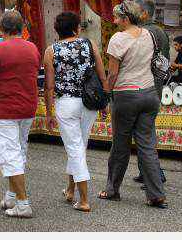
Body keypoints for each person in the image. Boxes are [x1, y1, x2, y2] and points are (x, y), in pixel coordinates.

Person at [99, 0, 167, 209]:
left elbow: (113, 74)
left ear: (126, 18)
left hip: (126, 94)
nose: (115, 20)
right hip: (149, 94)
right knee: (147, 145)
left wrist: (106, 95)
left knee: (120, 145)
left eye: (117, 17)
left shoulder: (118, 39)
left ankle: (112, 189)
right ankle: (156, 194)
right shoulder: (149, 35)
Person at [43, 11, 108, 213]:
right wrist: (104, 102)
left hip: (66, 103)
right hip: (89, 103)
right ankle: (71, 190)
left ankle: (84, 200)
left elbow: (49, 86)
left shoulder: (51, 50)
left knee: (75, 148)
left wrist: (48, 112)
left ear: (57, 30)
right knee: (79, 146)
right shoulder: (89, 45)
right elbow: (101, 75)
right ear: (76, 28)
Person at [0, 10, 40, 218]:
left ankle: (23, 204)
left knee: (8, 154)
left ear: (1, 29)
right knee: (19, 150)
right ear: (22, 29)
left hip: (6, 108)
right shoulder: (32, 48)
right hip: (28, 106)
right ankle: (11, 196)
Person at [134, 0, 168, 186]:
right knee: (144, 132)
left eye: (136, 10)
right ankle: (145, 170)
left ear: (144, 14)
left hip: (145, 87)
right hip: (154, 87)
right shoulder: (159, 31)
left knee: (145, 134)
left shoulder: (146, 32)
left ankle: (155, 174)